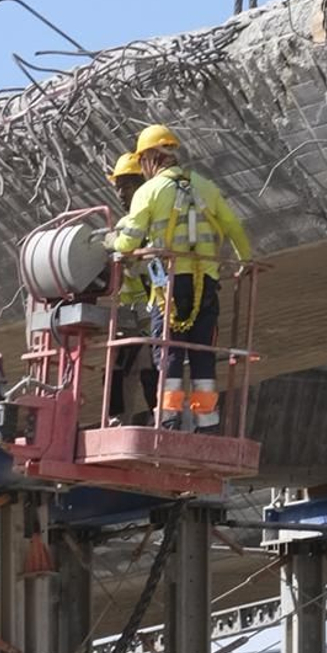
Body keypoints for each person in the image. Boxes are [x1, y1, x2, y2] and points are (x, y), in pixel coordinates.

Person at [108, 125, 252, 430]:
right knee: (202, 352)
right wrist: (246, 261)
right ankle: (207, 423)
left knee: (169, 351)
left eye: (142, 160)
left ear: (151, 157)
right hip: (207, 283)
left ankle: (169, 420)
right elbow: (233, 226)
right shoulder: (205, 187)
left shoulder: (148, 191)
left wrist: (112, 242)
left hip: (171, 286)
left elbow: (128, 242)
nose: (142, 167)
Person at [104, 149, 160, 424]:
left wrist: (112, 244)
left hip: (150, 306)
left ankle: (159, 415)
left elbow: (137, 256)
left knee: (149, 362)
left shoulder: (145, 220)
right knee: (119, 363)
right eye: (117, 187)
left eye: (126, 186)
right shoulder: (129, 222)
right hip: (130, 310)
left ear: (142, 185)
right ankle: (120, 418)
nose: (120, 194)